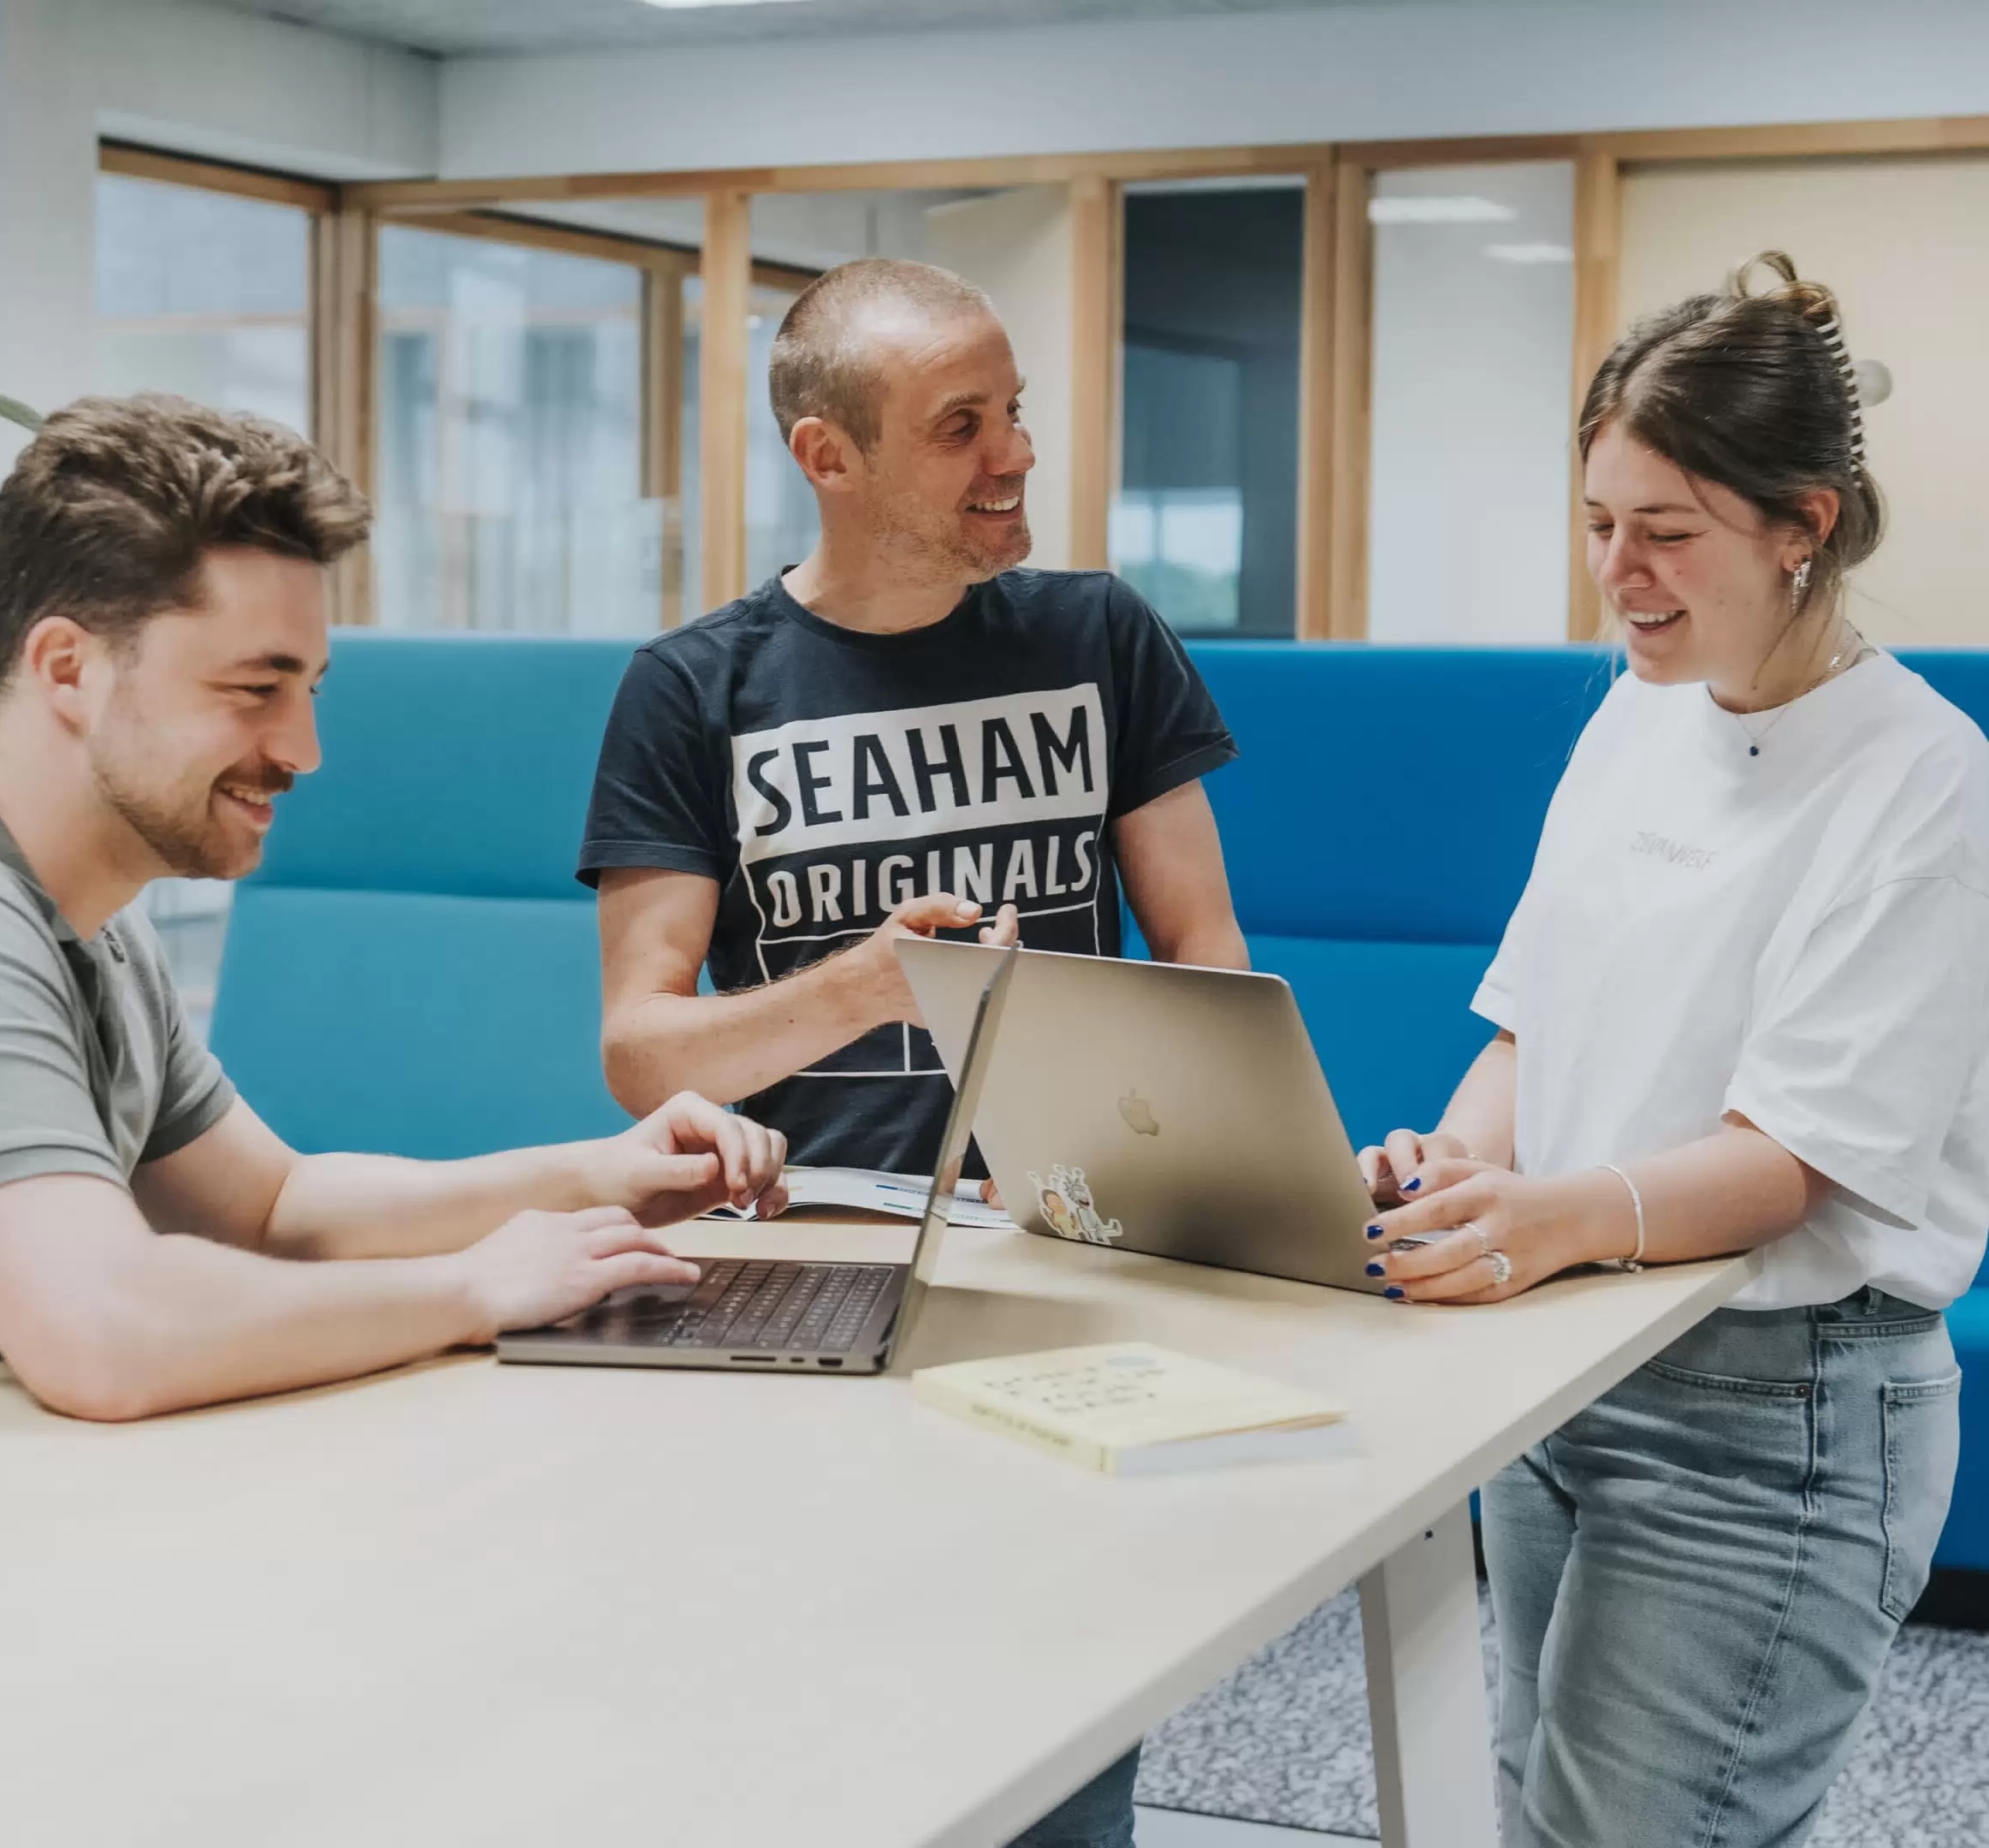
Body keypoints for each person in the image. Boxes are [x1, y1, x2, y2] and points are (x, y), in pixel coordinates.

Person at [0, 394, 785, 1448]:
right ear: (69, 667)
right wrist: (472, 1288)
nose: (304, 749)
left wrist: (596, 1175)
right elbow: (104, 1334)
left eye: (309, 688)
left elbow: (271, 1205)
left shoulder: (83, 920)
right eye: (255, 689)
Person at [581, 258, 1250, 1848]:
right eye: (961, 427)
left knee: (1065, 1724)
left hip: (1068, 1257)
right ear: (831, 456)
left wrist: (1171, 1167)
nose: (1015, 454)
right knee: (824, 1729)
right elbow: (639, 1049)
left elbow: (1210, 958)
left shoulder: (1101, 636)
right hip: (805, 1270)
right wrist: (870, 985)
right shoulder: (694, 689)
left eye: (1013, 412)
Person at [1359, 254, 1989, 1846]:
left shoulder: (1925, 782)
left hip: (1769, 1410)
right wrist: (1458, 1165)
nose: (1618, 576)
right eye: (1597, 525)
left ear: (1806, 525)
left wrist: (1538, 1223)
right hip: (1563, 1364)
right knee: (1530, 1815)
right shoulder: (1641, 709)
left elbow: (1789, 1162)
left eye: (1667, 534)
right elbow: (1533, 1010)